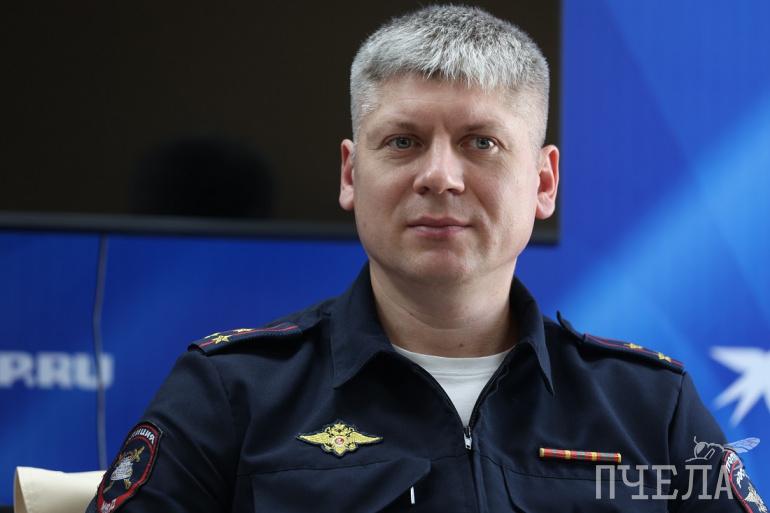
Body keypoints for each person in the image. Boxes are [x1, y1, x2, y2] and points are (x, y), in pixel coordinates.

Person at [87, 5, 764, 512]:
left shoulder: (651, 408)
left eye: (481, 143)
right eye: (403, 142)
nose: (440, 176)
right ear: (351, 174)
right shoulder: (231, 393)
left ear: (544, 182)